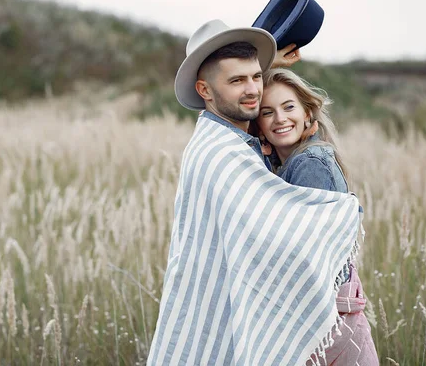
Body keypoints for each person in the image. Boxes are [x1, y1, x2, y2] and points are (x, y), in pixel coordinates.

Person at [147, 19, 364, 366]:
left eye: (255, 77)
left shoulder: (237, 139)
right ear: (205, 90)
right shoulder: (218, 151)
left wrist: (269, 64)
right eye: (236, 81)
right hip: (269, 310)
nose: (252, 90)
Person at [254, 68, 379, 364]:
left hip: (330, 323)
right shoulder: (287, 166)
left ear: (308, 113)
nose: (280, 119)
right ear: (258, 125)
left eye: (288, 107)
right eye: (267, 112)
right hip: (325, 320)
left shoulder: (311, 164)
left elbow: (310, 253)